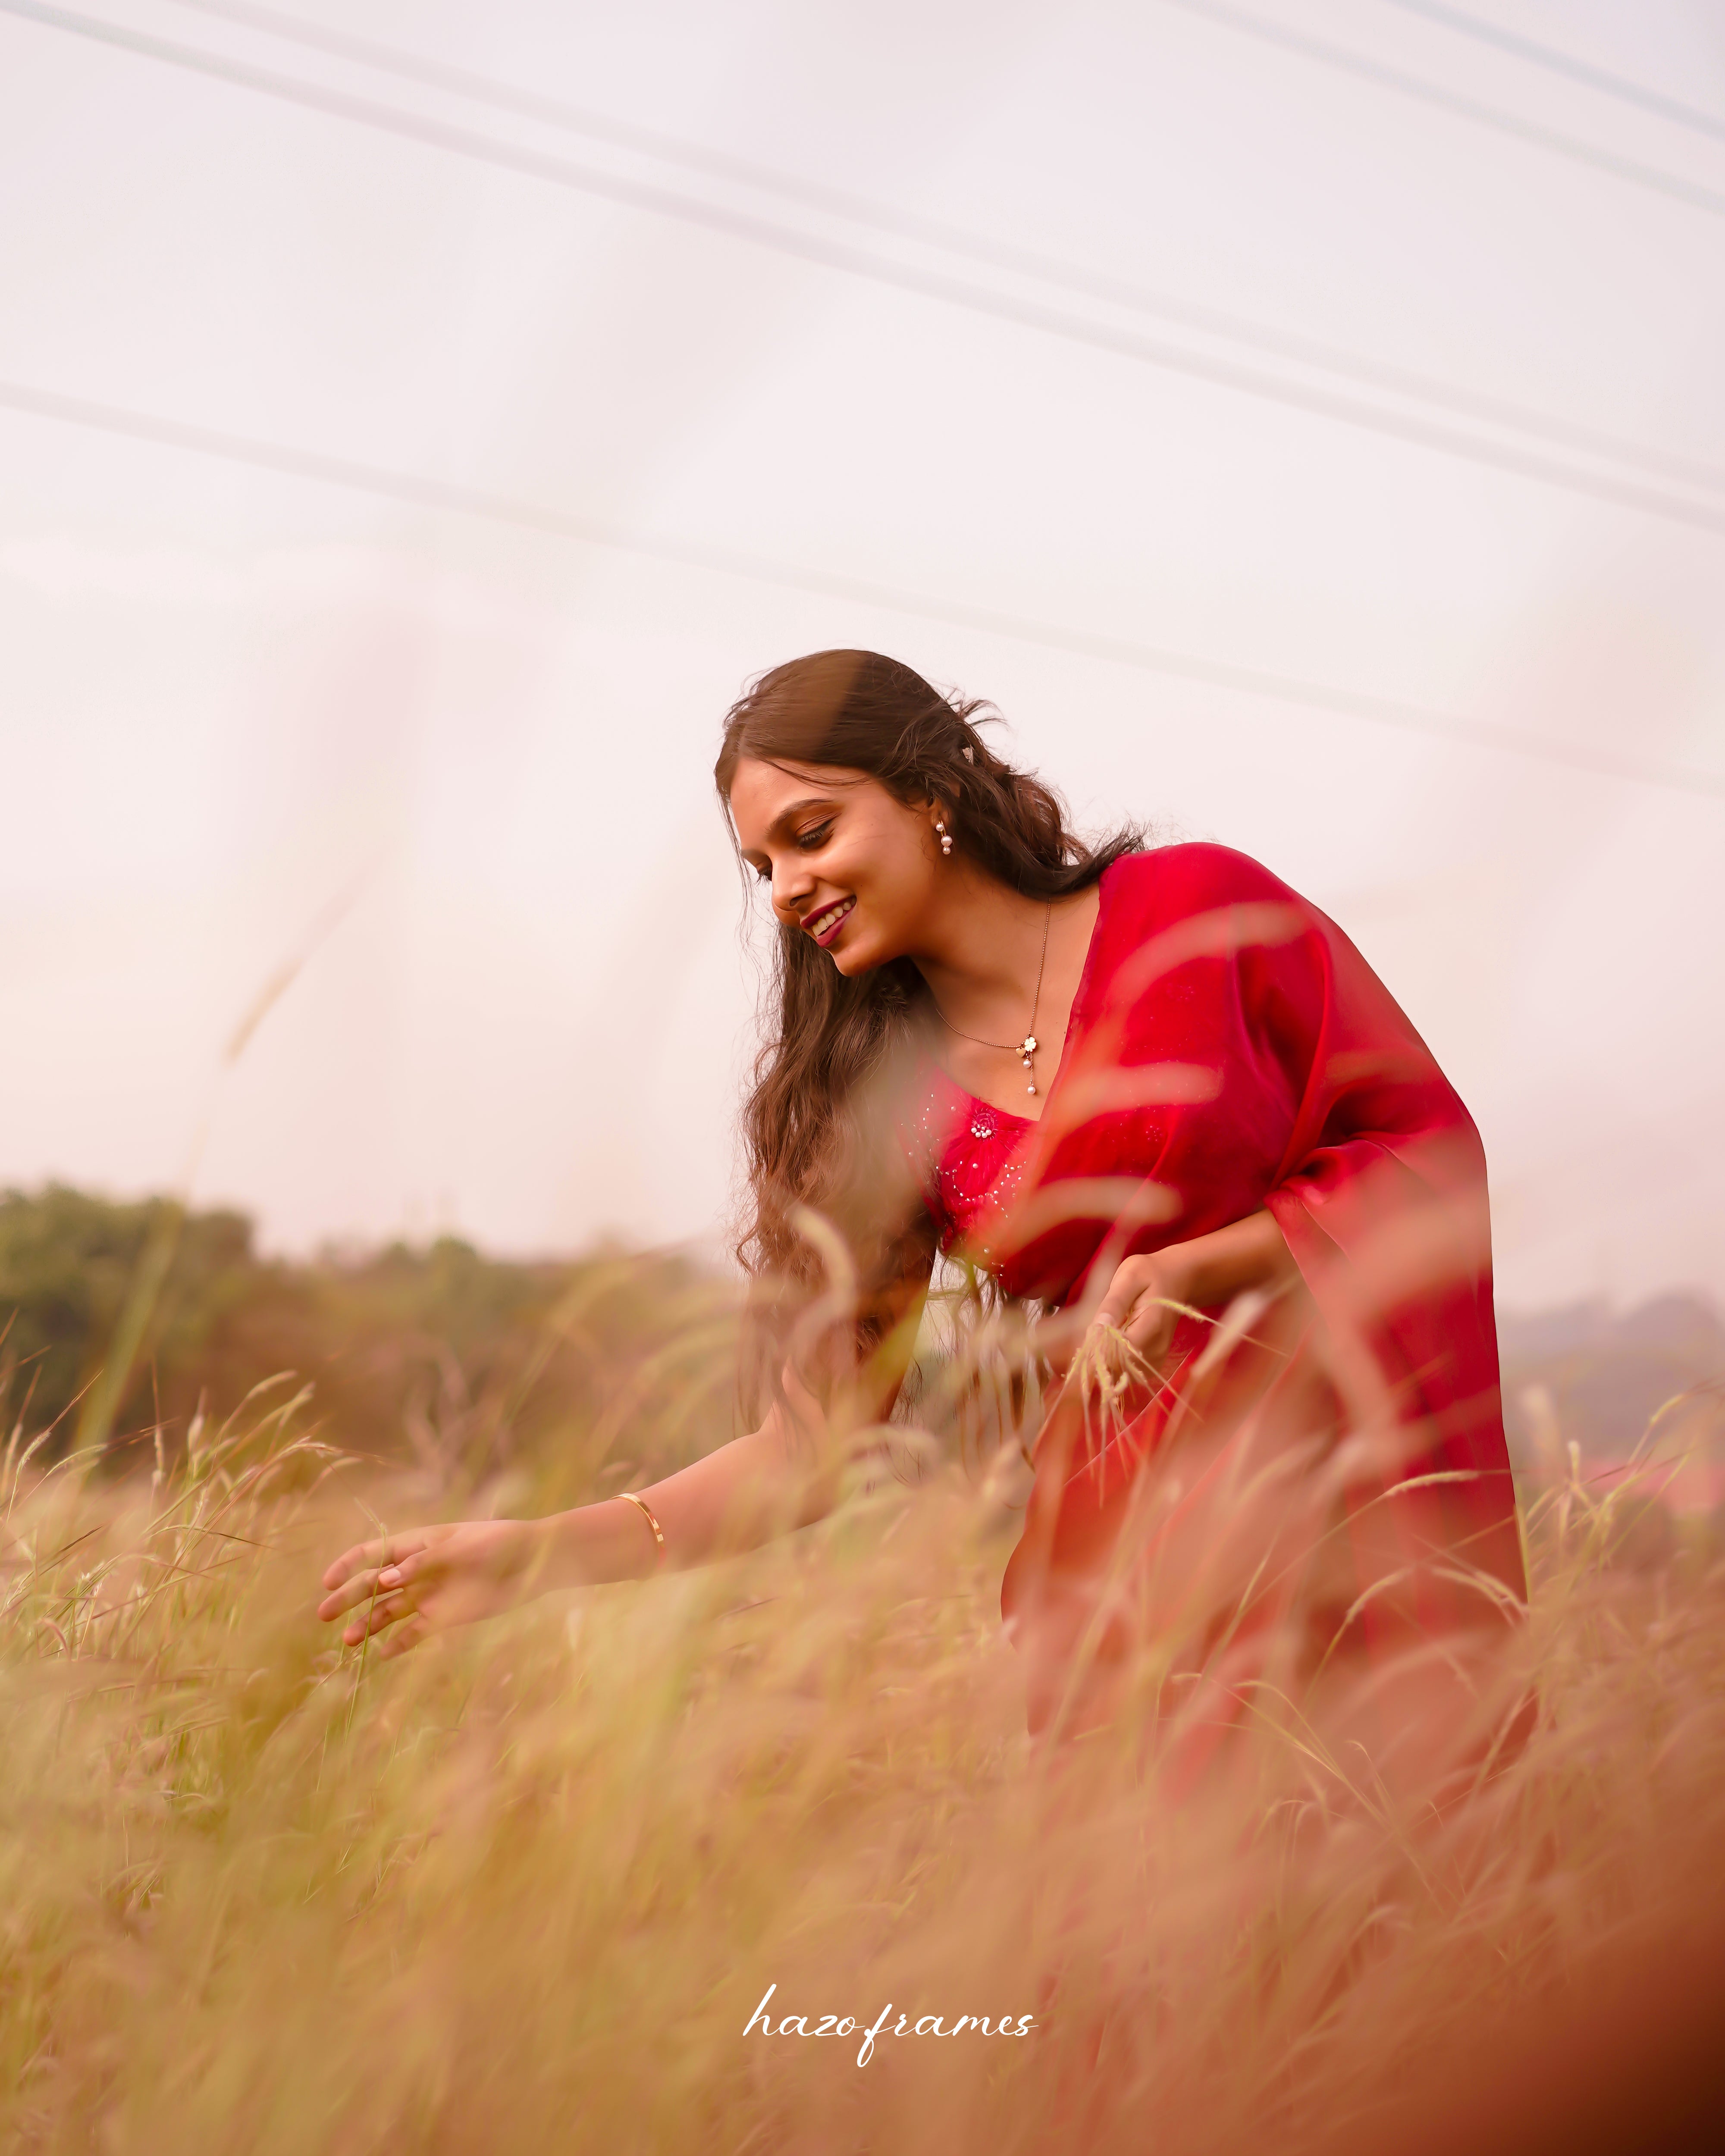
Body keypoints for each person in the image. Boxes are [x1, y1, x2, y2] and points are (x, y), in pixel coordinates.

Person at [317, 651, 1527, 1773]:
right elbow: (807, 1451)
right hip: (1130, 1594)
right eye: (764, 868)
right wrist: (534, 1557)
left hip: (1355, 1523)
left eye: (812, 832)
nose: (789, 888)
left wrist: (1206, 1266)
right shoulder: (879, 1108)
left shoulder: (1202, 913)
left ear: (934, 785)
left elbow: (1429, 1154)